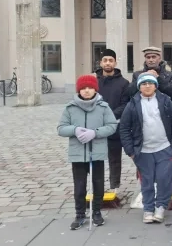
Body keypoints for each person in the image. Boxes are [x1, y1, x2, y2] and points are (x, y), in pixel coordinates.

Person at [119, 72, 172, 224]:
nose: (147, 86)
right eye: (144, 83)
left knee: (163, 179)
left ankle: (160, 206)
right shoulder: (132, 104)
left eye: (150, 83)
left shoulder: (165, 101)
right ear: (139, 87)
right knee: (146, 181)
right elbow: (124, 128)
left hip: (165, 148)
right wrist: (130, 151)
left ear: (155, 86)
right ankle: (148, 208)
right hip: (143, 151)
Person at [57, 74, 118, 230]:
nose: (86, 91)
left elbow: (112, 126)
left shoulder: (103, 107)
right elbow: (61, 128)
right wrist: (75, 130)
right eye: (83, 88)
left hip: (96, 152)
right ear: (79, 90)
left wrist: (95, 132)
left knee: (97, 184)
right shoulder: (70, 108)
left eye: (90, 87)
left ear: (95, 89)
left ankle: (96, 211)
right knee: (79, 185)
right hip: (78, 154)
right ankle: (79, 214)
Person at [94, 48, 129, 194]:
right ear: (101, 63)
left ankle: (114, 186)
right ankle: (97, 187)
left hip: (115, 126)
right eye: (105, 60)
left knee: (115, 159)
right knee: (97, 159)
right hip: (95, 127)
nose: (108, 63)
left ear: (115, 62)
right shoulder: (93, 82)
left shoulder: (123, 83)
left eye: (111, 60)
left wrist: (109, 117)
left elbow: (125, 104)